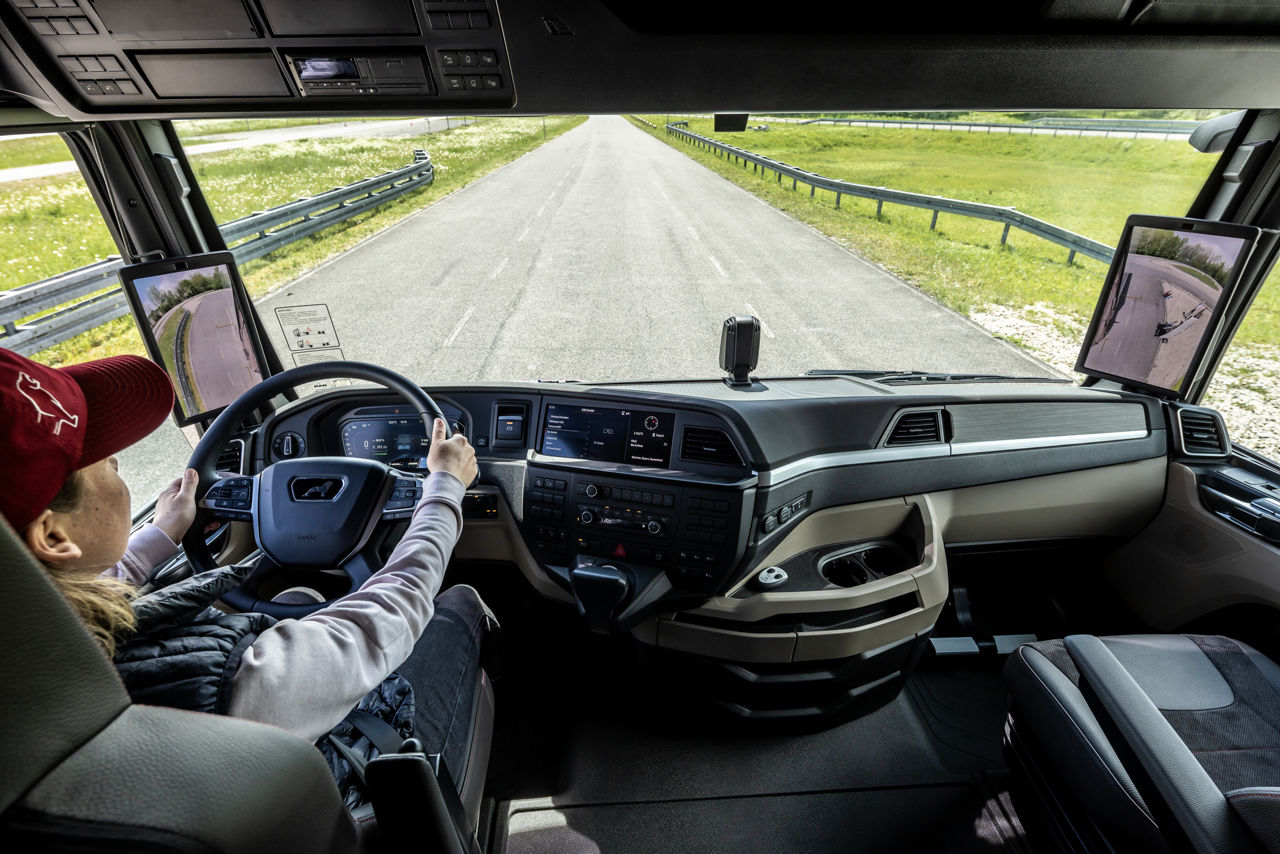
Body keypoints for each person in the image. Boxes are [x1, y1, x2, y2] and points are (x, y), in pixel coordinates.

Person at [0, 347, 494, 816]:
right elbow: (386, 616)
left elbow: (91, 587)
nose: (118, 467)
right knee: (457, 605)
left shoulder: (35, 640)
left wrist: (165, 529)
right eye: (108, 464)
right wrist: (444, 489)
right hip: (350, 807)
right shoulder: (230, 684)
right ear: (53, 534)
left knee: (296, 597)